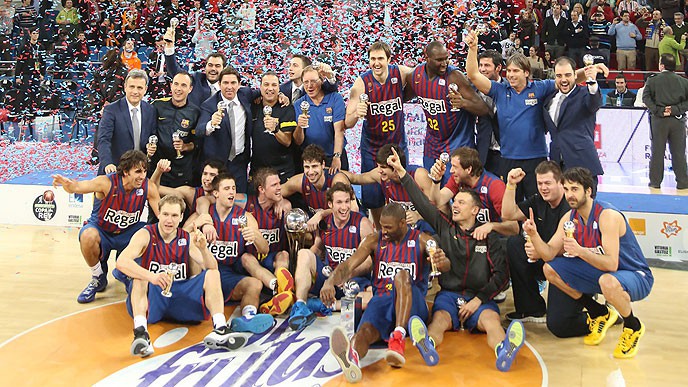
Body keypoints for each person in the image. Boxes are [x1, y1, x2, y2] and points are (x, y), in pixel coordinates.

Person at [385, 147, 524, 372]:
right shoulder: (445, 226)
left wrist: (478, 299)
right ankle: (427, 344)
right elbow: (422, 201)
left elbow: (501, 276)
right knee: (439, 320)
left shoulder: (489, 237)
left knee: (491, 321)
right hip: (449, 296)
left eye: (461, 203)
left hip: (478, 298)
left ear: (475, 211)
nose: (455, 206)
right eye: (455, 202)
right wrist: (401, 172)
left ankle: (503, 349)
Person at [116, 195, 272, 358]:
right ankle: (141, 334)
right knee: (139, 277)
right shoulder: (146, 234)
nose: (169, 220)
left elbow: (212, 267)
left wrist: (204, 249)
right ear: (159, 214)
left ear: (181, 217)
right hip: (155, 296)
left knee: (212, 274)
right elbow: (121, 262)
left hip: (181, 297)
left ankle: (220, 329)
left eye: (175, 215)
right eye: (166, 214)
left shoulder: (186, 238)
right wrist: (152, 276)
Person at [524, 167, 654, 358]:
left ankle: (633, 326)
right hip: (603, 273)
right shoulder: (569, 218)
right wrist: (534, 235)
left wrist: (580, 251)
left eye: (574, 189)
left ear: (588, 191)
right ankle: (599, 311)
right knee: (550, 269)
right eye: (566, 189)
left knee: (607, 281)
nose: (569, 195)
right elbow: (549, 254)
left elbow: (611, 264)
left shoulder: (607, 216)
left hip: (634, 274)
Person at [465, 29, 607, 202]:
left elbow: (566, 80)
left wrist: (590, 70)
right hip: (508, 159)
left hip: (537, 160)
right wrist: (472, 49)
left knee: (539, 206)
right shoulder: (499, 90)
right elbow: (473, 75)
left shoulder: (540, 88)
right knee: (512, 206)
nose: (510, 75)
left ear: (526, 72)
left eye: (515, 71)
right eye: (508, 71)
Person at [327, 203, 444, 383]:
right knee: (365, 331)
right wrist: (329, 281)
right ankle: (353, 358)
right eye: (382, 226)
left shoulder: (422, 240)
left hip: (412, 302)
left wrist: (441, 261)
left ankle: (398, 336)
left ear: (403, 224)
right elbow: (349, 264)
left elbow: (445, 264)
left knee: (401, 276)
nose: (384, 231)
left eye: (388, 227)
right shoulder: (374, 240)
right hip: (382, 300)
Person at [51, 150, 161, 304]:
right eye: (137, 171)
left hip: (128, 232)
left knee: (149, 233)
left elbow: (161, 216)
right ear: (125, 171)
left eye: (144, 171)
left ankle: (128, 274)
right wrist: (67, 184)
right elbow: (77, 187)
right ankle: (98, 277)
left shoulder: (148, 187)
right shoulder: (106, 182)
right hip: (103, 230)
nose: (142, 176)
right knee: (88, 235)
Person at [501, 163, 590, 337]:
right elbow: (507, 214)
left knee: (558, 323)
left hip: (568, 263)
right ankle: (531, 308)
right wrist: (511, 185)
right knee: (514, 244)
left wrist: (539, 250)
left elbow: (571, 247)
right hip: (546, 256)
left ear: (560, 183)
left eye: (547, 183)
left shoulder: (570, 206)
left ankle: (595, 309)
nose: (543, 188)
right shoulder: (538, 201)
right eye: (540, 183)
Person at [344, 41, 413, 228]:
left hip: (396, 145)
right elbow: (347, 123)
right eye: (372, 59)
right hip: (372, 147)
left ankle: (400, 230)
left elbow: (421, 76)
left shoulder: (401, 73)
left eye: (380, 58)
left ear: (389, 60)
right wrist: (356, 114)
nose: (376, 63)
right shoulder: (361, 83)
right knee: (374, 198)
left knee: (400, 192)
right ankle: (380, 231)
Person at [194, 174, 277, 329]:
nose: (231, 192)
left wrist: (255, 237)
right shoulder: (205, 214)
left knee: (255, 284)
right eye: (226, 189)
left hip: (230, 272)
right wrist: (199, 226)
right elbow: (181, 237)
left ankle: (248, 317)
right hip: (207, 274)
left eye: (233, 188)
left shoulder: (244, 217)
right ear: (216, 193)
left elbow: (265, 248)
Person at [288, 183, 374, 331]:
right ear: (330, 204)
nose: (344, 207)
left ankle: (323, 305)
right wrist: (301, 272)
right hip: (328, 278)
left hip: (353, 281)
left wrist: (347, 273)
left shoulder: (362, 224)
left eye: (347, 201)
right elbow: (317, 248)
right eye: (339, 202)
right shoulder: (325, 224)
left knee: (372, 299)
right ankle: (300, 305)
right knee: (304, 253)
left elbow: (368, 262)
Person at [407, 40, 489, 184]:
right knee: (432, 191)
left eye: (446, 58)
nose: (444, 63)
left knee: (459, 193)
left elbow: (483, 108)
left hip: (458, 144)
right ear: (427, 58)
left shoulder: (454, 76)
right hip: (432, 145)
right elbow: (401, 96)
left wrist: (463, 103)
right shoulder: (416, 76)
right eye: (439, 60)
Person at [544, 57, 604, 192]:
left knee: (585, 210)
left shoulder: (584, 94)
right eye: (559, 76)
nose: (563, 80)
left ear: (576, 75)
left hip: (582, 165)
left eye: (567, 75)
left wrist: (592, 82)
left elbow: (595, 103)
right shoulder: (549, 99)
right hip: (557, 166)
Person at [196, 67, 254, 193]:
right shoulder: (209, 105)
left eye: (233, 83)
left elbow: (264, 92)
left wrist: (282, 96)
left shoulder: (246, 95)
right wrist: (211, 124)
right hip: (218, 164)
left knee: (239, 198)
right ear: (219, 84)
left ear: (239, 84)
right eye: (225, 83)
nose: (229, 87)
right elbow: (200, 130)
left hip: (239, 161)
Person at [97, 69, 157, 175]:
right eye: (132, 87)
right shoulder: (111, 110)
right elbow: (104, 140)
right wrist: (108, 163)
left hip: (141, 173)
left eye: (139, 88)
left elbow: (153, 135)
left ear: (145, 89)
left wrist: (151, 146)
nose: (135, 91)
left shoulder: (150, 110)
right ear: (125, 87)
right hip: (116, 171)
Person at [643, 54, 688, 190]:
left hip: (659, 121)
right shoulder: (684, 81)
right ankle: (683, 182)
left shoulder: (653, 80)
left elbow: (646, 97)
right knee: (679, 153)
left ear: (662, 65)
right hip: (677, 121)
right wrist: (675, 109)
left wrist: (658, 110)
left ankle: (655, 183)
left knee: (657, 152)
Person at [148, 72, 200, 188]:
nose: (178, 89)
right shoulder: (156, 105)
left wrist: (185, 146)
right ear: (171, 85)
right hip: (157, 169)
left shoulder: (195, 112)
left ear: (190, 89)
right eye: (176, 84)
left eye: (183, 85)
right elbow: (147, 133)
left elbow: (198, 143)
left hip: (181, 172)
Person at [293, 66, 348, 173]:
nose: (309, 86)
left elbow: (339, 130)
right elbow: (298, 141)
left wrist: (336, 157)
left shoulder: (335, 98)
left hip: (334, 156)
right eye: (306, 82)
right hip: (310, 161)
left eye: (313, 81)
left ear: (322, 80)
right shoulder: (299, 104)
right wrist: (299, 126)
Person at [250, 71, 297, 182]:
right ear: (260, 87)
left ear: (279, 88)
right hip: (258, 170)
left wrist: (275, 130)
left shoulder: (287, 108)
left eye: (274, 85)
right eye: (266, 85)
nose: (270, 88)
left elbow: (287, 141)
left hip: (282, 171)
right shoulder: (253, 106)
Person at [475, 50, 507, 177]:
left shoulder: (509, 89)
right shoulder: (472, 89)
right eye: (480, 65)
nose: (482, 69)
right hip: (482, 153)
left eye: (487, 65)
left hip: (504, 152)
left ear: (498, 67)